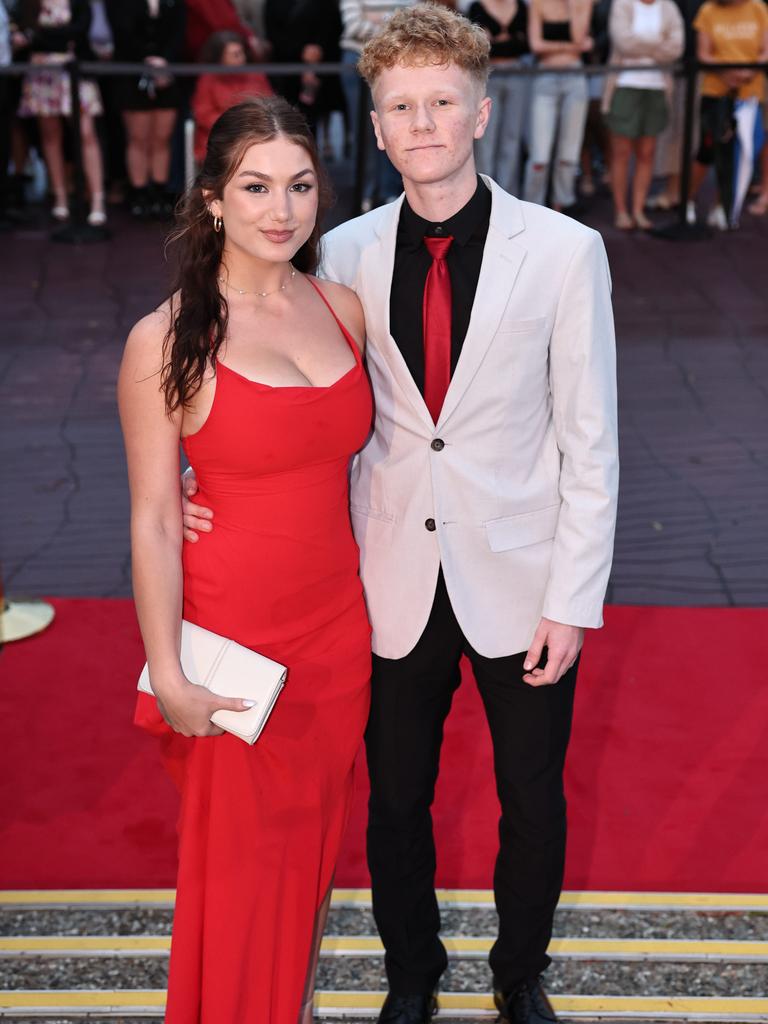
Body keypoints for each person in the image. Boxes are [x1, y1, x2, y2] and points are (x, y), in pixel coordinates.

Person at [183, 7, 618, 1023]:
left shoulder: (563, 252)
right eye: (400, 108)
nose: (422, 123)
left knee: (534, 800)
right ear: (376, 128)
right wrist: (207, 478)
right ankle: (411, 975)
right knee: (393, 802)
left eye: (441, 103)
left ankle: (520, 975)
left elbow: (589, 442)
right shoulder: (338, 254)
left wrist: (574, 600)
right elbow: (278, 379)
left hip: (522, 573)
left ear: (480, 113)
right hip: (383, 577)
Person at [118, 95, 372, 1023]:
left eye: (300, 185)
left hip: (340, 640)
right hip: (236, 647)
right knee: (236, 881)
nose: (282, 209)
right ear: (215, 200)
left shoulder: (339, 306)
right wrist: (171, 674)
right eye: (256, 186)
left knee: (306, 871)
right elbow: (151, 519)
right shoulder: (168, 338)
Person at [15, 0, 106, 225]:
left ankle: (97, 199)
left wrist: (40, 36)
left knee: (86, 134)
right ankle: (60, 197)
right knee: (50, 136)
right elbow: (23, 32)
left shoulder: (78, 3)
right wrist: (47, 37)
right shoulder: (28, 4)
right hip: (41, 73)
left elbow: (78, 31)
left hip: (75, 71)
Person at [602, 0, 684, 229]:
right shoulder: (622, 4)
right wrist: (659, 44)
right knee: (621, 152)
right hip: (624, 86)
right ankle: (621, 210)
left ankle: (638, 210)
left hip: (657, 88)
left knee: (647, 153)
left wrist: (641, 45)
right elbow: (623, 43)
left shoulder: (668, 7)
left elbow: (676, 47)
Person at [688, 0, 768, 229]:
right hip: (715, 92)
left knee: (737, 152)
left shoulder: (758, 8)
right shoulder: (708, 10)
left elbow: (765, 49)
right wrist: (729, 70)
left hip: (749, 95)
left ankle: (722, 205)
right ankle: (689, 199)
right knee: (708, 149)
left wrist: (748, 72)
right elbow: (703, 53)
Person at [105, 0, 186, 219]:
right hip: (132, 74)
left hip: (167, 75)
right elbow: (121, 31)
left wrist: (164, 61)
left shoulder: (175, 3)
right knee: (138, 138)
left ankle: (159, 193)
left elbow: (179, 32)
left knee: (161, 138)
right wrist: (147, 61)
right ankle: (139, 194)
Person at [339, 1, 414, 207]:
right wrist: (390, 22)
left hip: (395, 60)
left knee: (395, 127)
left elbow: (412, 25)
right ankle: (365, 192)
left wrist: (375, 20)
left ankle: (390, 192)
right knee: (363, 132)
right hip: (356, 60)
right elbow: (353, 25)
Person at [523, 0, 594, 209]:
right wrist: (570, 47)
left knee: (569, 153)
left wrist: (573, 7)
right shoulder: (538, 4)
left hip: (575, 78)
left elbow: (580, 39)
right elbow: (536, 46)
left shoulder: (582, 3)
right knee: (539, 156)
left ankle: (560, 208)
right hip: (545, 77)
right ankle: (532, 209)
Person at [469, 0, 530, 196]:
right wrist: (511, 40)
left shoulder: (521, 7)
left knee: (512, 137)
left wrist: (496, 40)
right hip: (488, 76)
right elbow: (478, 48)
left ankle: (507, 195)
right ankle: (483, 194)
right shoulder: (476, 8)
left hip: (517, 75)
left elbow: (526, 45)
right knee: (486, 137)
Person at [191, 29, 272, 164]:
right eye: (235, 55)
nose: (242, 58)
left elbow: (270, 106)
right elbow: (203, 114)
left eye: (242, 53)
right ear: (220, 58)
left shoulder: (256, 75)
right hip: (220, 140)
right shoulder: (208, 79)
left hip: (255, 137)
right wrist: (236, 124)